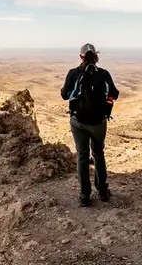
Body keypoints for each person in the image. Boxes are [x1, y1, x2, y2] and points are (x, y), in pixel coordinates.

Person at [61, 43, 119, 207]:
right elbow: (114, 93)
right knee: (98, 154)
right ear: (95, 56)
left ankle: (85, 195)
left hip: (78, 122)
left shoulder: (73, 73)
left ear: (81, 57)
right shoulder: (103, 74)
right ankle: (102, 191)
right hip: (99, 122)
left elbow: (65, 95)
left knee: (82, 155)